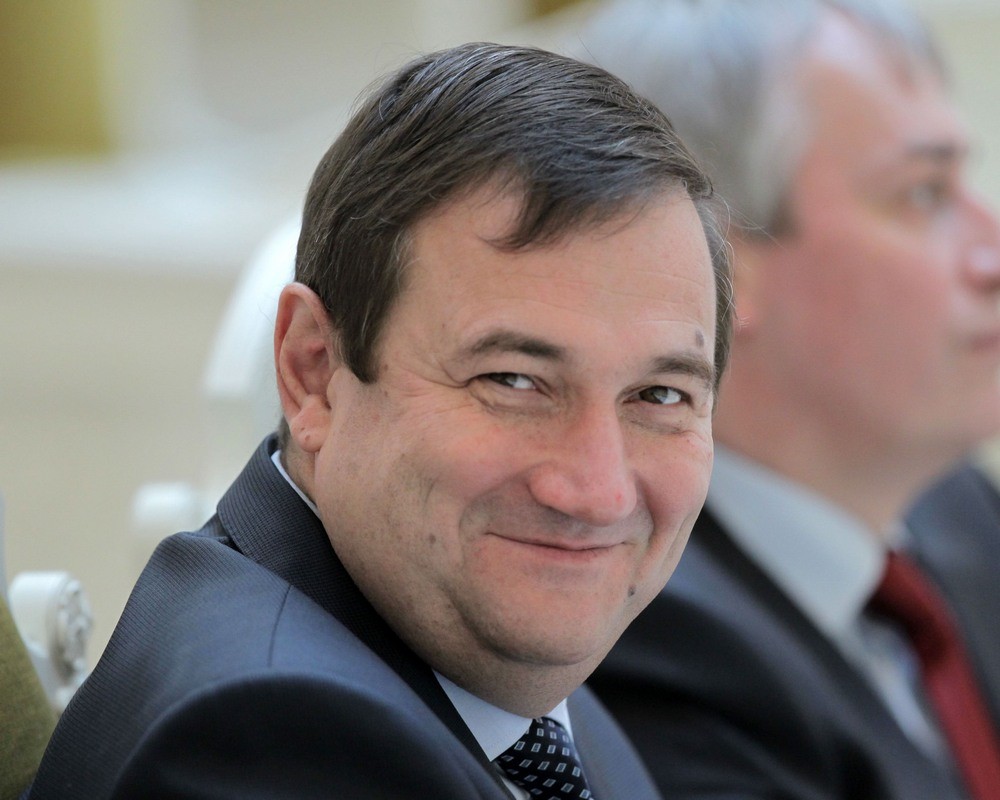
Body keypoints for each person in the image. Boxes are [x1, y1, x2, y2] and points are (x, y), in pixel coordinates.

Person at [25, 42, 734, 799]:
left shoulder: (507, 683)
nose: (598, 492)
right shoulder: (275, 741)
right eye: (513, 381)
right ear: (313, 373)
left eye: (659, 396)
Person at [573, 1, 1000, 798]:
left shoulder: (955, 505)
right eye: (924, 193)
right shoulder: (636, 642)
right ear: (720, 260)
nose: (992, 255)